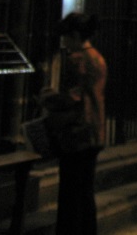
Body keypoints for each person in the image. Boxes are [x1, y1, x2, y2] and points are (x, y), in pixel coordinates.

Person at [42, 12, 107, 235]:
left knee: (70, 195)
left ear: (75, 35)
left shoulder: (78, 59)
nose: (65, 44)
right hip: (94, 130)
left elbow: (75, 96)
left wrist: (49, 98)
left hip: (77, 133)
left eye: (67, 38)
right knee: (85, 194)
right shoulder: (98, 57)